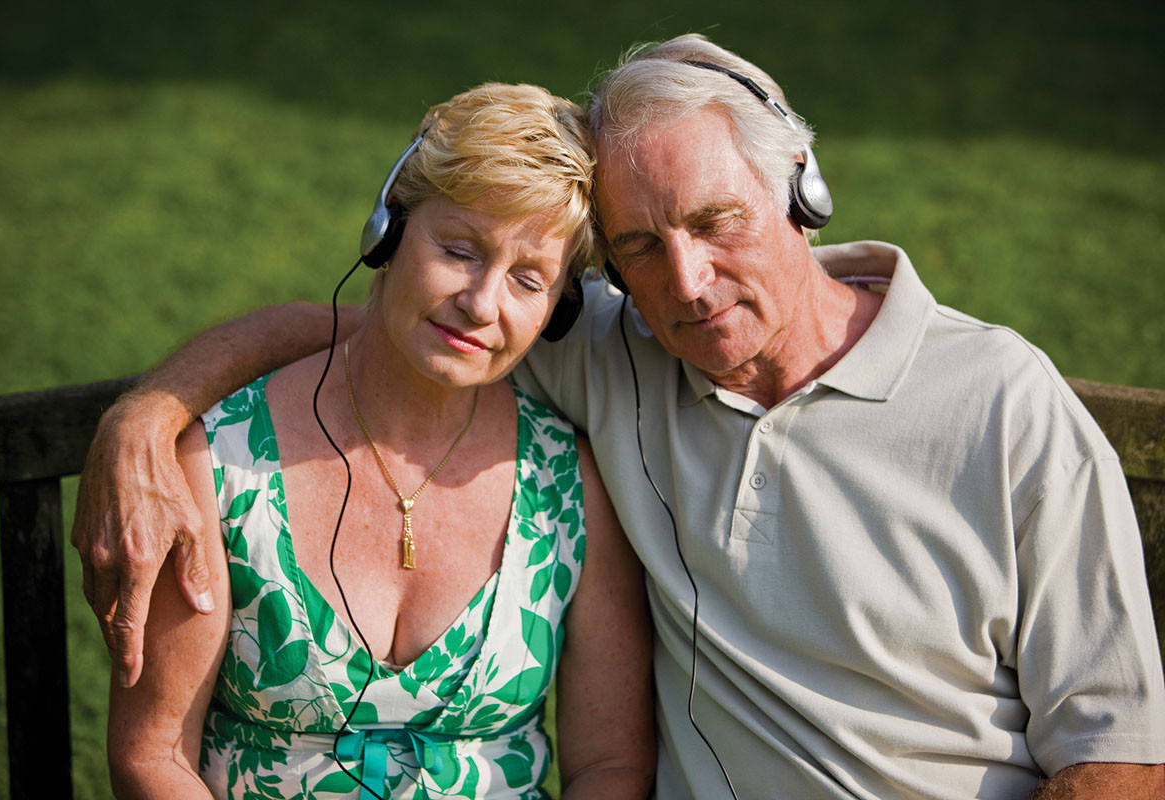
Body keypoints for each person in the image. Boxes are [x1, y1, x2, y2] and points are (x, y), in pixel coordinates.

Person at [75, 36, 1164, 799]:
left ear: (801, 187)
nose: (686, 282)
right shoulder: (610, 351)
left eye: (716, 221)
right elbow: (355, 331)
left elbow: (1120, 755)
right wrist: (149, 413)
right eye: (639, 246)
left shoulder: (1004, 404)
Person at [100, 82, 654, 799]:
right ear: (387, 231)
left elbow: (609, 766)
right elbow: (153, 757)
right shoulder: (221, 468)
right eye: (459, 250)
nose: (482, 303)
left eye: (527, 279)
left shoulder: (568, 485)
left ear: (558, 308)